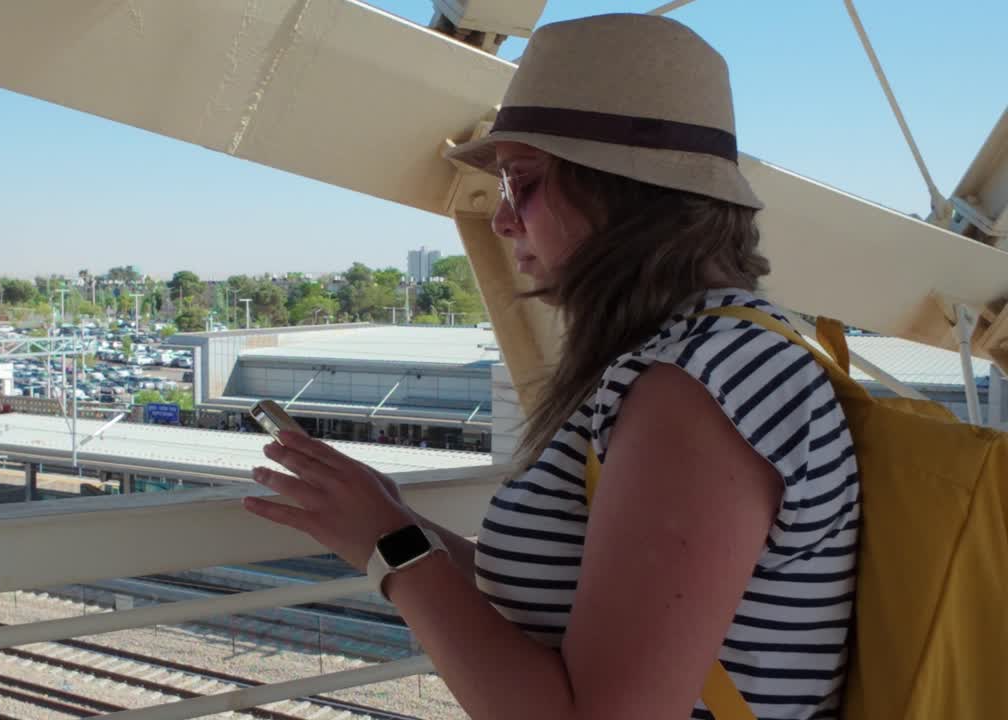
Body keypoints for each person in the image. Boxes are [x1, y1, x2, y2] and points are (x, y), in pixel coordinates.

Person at [242, 14, 858, 720]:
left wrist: (392, 548)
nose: (503, 220)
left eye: (522, 182)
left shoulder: (699, 388)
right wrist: (395, 520)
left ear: (623, 189)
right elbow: (564, 614)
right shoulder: (701, 356)